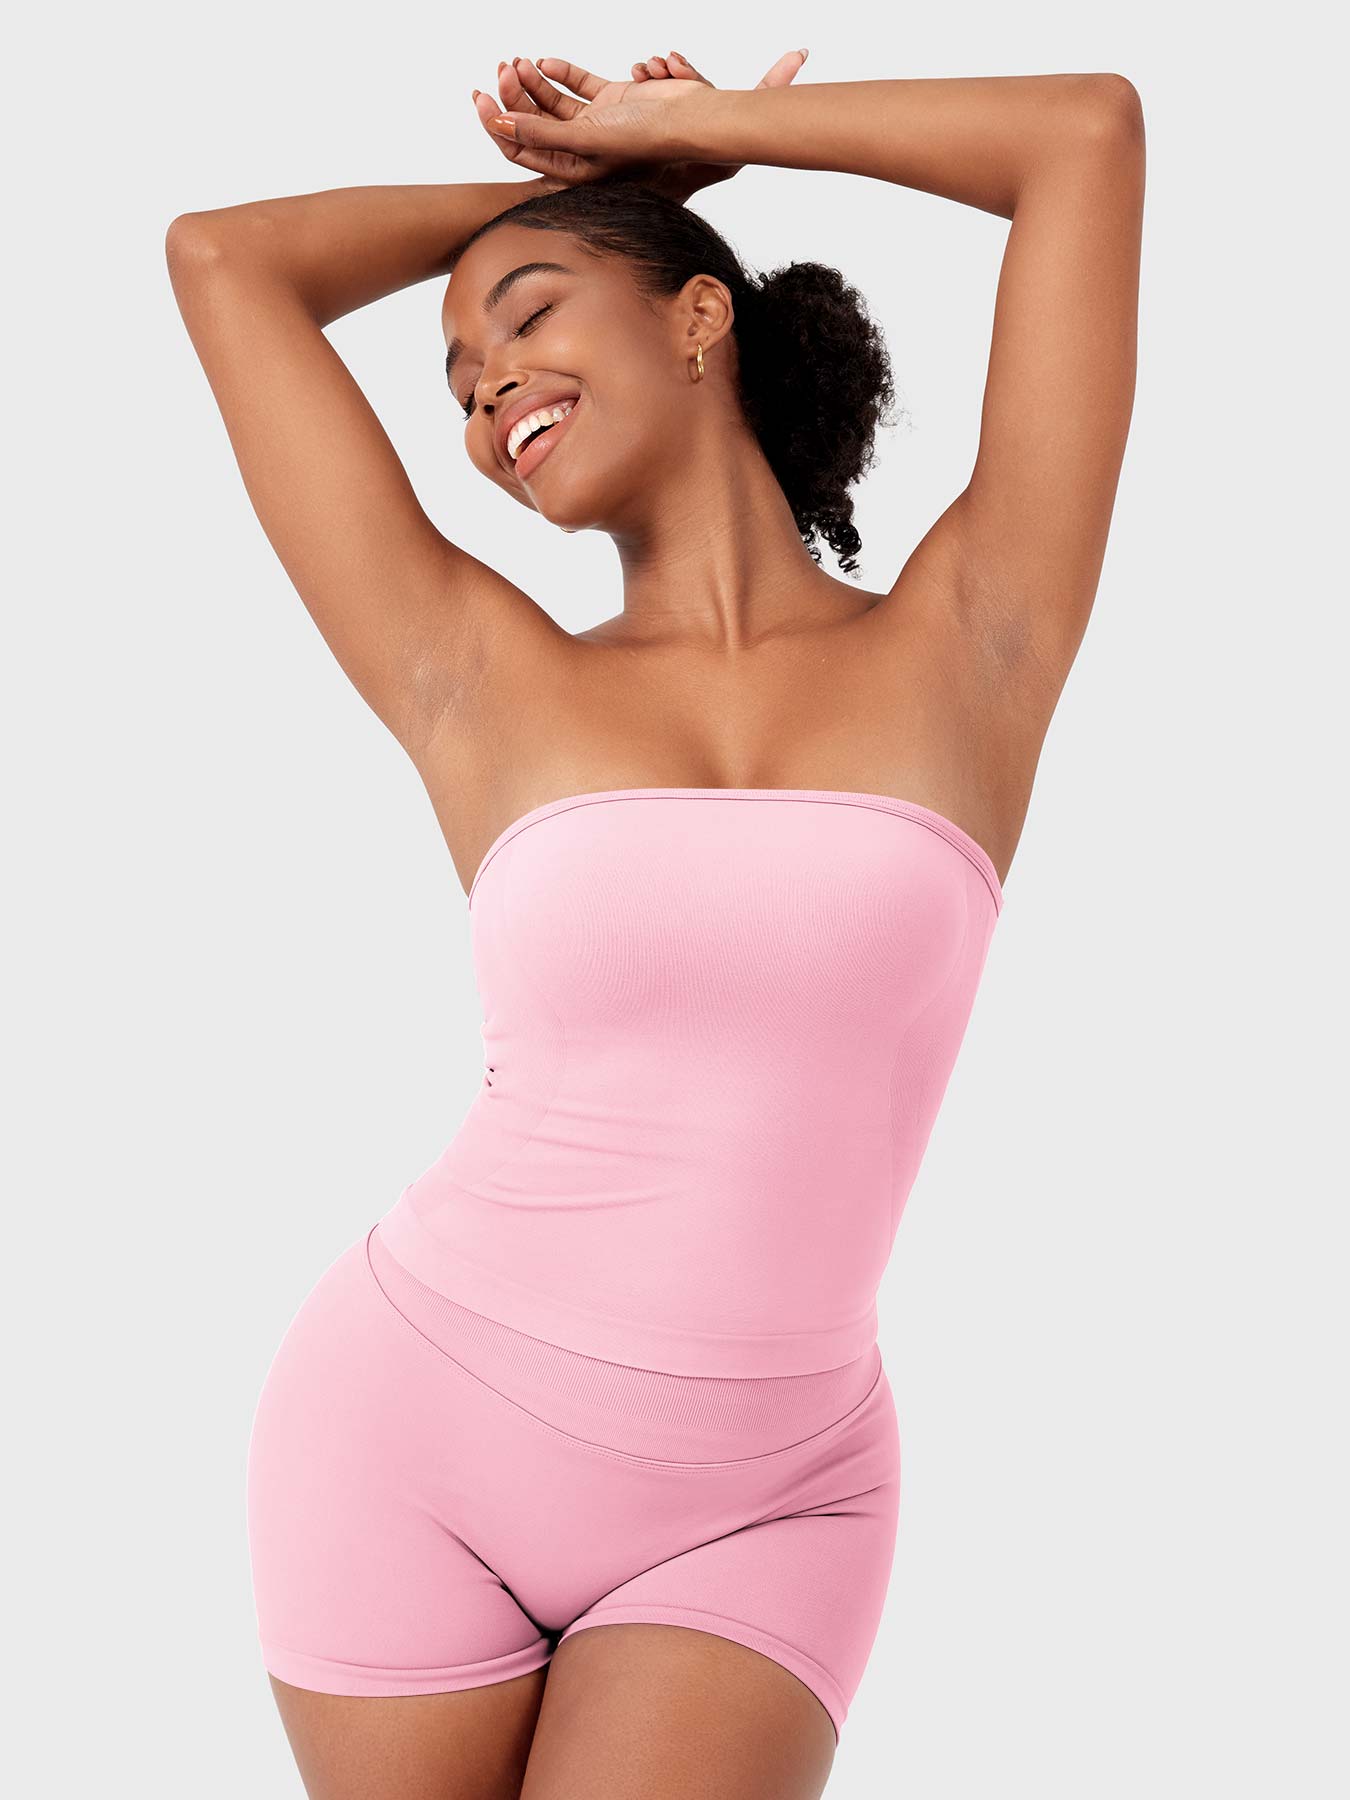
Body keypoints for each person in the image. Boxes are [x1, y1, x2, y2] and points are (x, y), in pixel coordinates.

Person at [166, 47, 1144, 1800]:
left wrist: (687, 135)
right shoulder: (477, 675)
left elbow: (1081, 136)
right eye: (458, 381)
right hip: (417, 1429)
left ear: (702, 320)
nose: (486, 389)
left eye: (529, 314)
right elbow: (226, 260)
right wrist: (599, 206)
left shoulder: (974, 639)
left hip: (774, 1497)